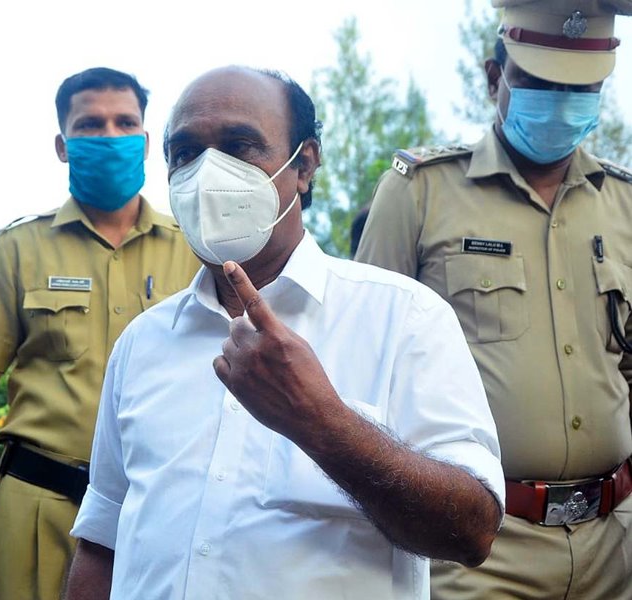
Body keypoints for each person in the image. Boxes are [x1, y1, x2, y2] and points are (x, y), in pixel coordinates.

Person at [63, 65, 504, 600]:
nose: (208, 172)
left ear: (304, 165)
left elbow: (472, 530)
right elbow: (103, 542)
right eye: (185, 153)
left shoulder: (404, 318)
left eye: (239, 146)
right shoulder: (143, 342)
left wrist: (320, 422)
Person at [355, 1, 632, 598]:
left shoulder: (624, 204)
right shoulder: (420, 193)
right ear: (493, 77)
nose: (560, 103)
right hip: (477, 548)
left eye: (581, 89)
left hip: (615, 543)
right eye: (540, 83)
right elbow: (364, 366)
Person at [0, 67, 200, 600]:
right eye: (90, 125)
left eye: (125, 123)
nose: (110, 136)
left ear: (145, 142)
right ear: (63, 146)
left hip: (156, 515)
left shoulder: (195, 251)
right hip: (36, 516)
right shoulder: (15, 250)